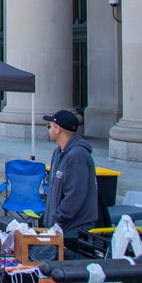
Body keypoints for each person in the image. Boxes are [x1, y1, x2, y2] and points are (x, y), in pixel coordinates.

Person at [43, 109, 98, 255]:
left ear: (58, 129)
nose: (48, 130)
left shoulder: (77, 156)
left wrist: (58, 217)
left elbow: (75, 195)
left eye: (50, 126)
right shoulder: (58, 152)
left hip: (71, 230)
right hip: (58, 228)